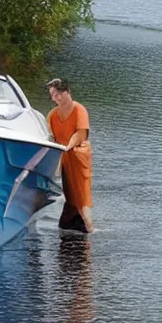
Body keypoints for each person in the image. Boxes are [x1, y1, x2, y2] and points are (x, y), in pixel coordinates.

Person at [45, 78, 94, 233]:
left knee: (81, 193)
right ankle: (72, 221)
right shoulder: (52, 115)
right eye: (53, 95)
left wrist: (67, 147)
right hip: (64, 156)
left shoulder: (79, 110)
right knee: (69, 192)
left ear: (68, 91)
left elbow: (80, 134)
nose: (56, 97)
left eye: (59, 93)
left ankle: (88, 225)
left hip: (79, 156)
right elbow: (49, 136)